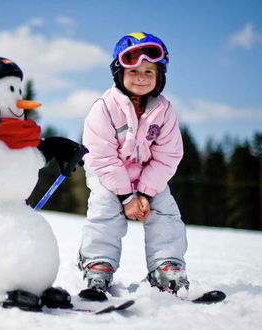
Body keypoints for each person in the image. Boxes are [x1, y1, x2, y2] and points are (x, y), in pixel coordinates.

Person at [78, 32, 189, 295]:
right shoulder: (104, 108)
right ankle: (98, 265)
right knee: (105, 208)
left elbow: (168, 156)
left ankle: (167, 267)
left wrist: (146, 193)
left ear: (160, 76)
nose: (141, 77)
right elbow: (102, 157)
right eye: (134, 71)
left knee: (165, 211)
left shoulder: (165, 111)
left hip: (148, 176)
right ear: (119, 72)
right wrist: (127, 197)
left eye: (149, 72)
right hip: (109, 175)